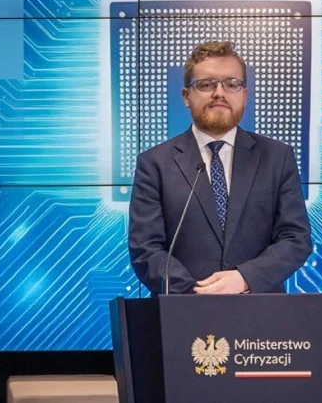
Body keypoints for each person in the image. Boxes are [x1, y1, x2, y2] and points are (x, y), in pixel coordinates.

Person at [129, 41, 311, 295]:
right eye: (206, 84)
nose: (219, 93)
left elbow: (295, 239)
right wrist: (197, 294)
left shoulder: (277, 157)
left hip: (262, 312)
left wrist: (245, 278)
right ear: (186, 96)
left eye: (231, 84)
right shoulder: (154, 163)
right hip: (183, 312)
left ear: (244, 94)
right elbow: (146, 249)